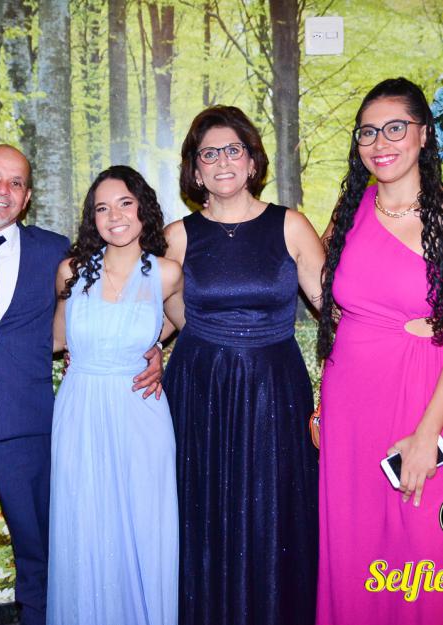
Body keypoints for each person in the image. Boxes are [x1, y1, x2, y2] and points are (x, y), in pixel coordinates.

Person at [0, 147, 162, 625]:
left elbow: (122, 295)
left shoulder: (56, 253)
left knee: (41, 559)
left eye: (16, 183)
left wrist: (151, 344)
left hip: (30, 429)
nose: (3, 191)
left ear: (28, 196)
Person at [162, 106, 325, 625]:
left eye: (233, 150)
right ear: (195, 170)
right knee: (203, 512)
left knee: (271, 512)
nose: (222, 162)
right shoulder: (177, 236)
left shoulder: (291, 225)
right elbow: (154, 315)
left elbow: (336, 310)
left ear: (253, 161)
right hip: (199, 390)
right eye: (209, 153)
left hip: (274, 391)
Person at [316, 77, 443, 624]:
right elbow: (328, 299)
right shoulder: (350, 210)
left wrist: (428, 435)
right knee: (355, 544)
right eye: (367, 132)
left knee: (420, 551)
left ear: (423, 134)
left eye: (395, 127)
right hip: (349, 407)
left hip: (422, 399)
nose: (380, 142)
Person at [47, 165, 184, 625]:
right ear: (93, 219)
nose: (115, 216)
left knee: (143, 525)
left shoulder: (166, 274)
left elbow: (188, 325)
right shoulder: (71, 272)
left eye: (125, 203)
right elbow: (57, 339)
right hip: (80, 410)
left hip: (139, 411)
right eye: (102, 208)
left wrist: (156, 348)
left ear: (144, 208)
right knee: (85, 526)